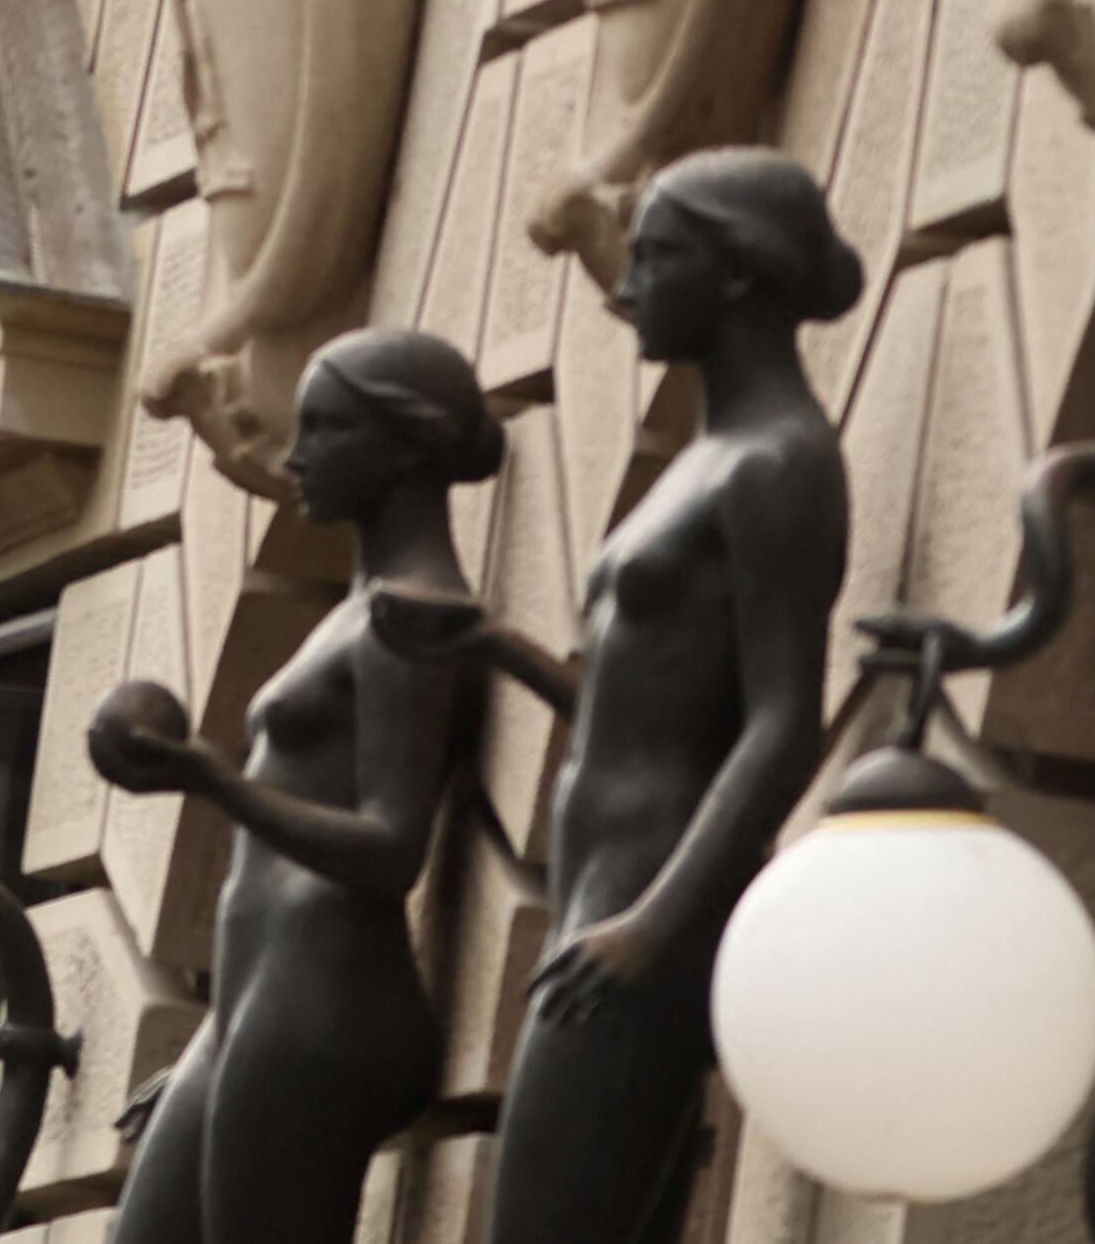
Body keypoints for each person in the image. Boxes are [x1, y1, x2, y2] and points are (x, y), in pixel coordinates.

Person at [384, 150, 861, 1244]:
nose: (626, 283)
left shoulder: (778, 459)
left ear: (736, 272)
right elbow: (632, 701)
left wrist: (652, 925)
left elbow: (783, 719)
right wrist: (490, 640)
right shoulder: (709, 454)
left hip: (650, 900)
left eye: (653, 255)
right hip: (603, 889)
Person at [88, 327, 503, 1244]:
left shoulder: (413, 617)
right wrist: (220, 1029)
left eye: (325, 430)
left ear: (404, 443)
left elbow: (392, 848)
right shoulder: (362, 607)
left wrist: (205, 774)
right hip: (259, 999)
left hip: (325, 1001)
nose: (294, 453)